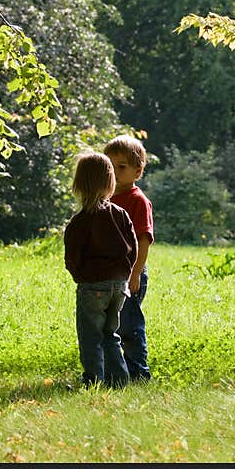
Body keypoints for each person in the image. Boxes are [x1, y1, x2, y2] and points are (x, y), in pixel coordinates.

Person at [64, 151, 138, 388]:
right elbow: (133, 248)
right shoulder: (120, 214)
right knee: (110, 334)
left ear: (79, 184)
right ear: (110, 182)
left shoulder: (81, 220)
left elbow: (72, 256)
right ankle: (119, 380)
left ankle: (93, 380)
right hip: (119, 285)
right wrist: (125, 274)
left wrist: (80, 276)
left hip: (92, 285)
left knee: (90, 336)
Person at [103, 135, 154, 382]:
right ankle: (113, 370)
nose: (114, 172)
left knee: (129, 325)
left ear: (137, 170)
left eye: (121, 167)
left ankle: (138, 371)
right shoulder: (105, 198)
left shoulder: (137, 201)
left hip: (130, 273)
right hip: (107, 272)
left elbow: (143, 240)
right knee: (109, 324)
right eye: (109, 166)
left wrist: (135, 273)